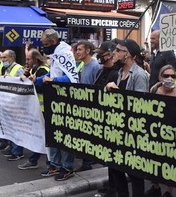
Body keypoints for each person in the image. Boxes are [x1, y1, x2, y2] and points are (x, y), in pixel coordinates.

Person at [33, 28, 79, 181]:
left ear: (53, 42)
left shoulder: (65, 54)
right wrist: (38, 80)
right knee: (53, 136)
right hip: (53, 101)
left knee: (64, 136)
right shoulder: (55, 54)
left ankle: (67, 168)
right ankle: (55, 165)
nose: (43, 47)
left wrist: (54, 81)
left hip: (65, 102)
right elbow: (53, 74)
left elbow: (73, 79)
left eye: (45, 44)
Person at [106, 38, 148, 197]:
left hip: (132, 132)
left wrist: (118, 92)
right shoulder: (118, 73)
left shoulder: (139, 75)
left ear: (129, 55)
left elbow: (140, 104)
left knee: (134, 172)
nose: (114, 53)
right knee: (115, 167)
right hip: (117, 129)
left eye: (118, 50)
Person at [146, 65, 176, 197]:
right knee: (155, 161)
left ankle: (169, 191)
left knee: (171, 164)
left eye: (173, 76)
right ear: (160, 77)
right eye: (166, 76)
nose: (170, 78)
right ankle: (156, 186)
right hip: (155, 132)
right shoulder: (154, 90)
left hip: (172, 135)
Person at [93, 40, 120, 196]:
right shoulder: (100, 71)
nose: (99, 57)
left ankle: (114, 187)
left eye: (101, 54)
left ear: (109, 55)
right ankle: (111, 183)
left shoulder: (115, 73)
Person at [17, 49, 50, 170]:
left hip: (43, 108)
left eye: (28, 59)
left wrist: (32, 81)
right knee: (40, 135)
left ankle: (41, 162)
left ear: (36, 59)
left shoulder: (44, 70)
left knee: (44, 136)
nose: (26, 61)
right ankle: (35, 160)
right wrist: (26, 74)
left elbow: (41, 88)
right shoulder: (34, 69)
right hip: (37, 107)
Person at [75, 40, 100, 172]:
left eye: (80, 49)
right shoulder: (83, 65)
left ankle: (88, 163)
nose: (77, 52)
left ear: (88, 51)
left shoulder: (95, 66)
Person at [0, 49, 26, 161]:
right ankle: (12, 149)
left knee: (16, 129)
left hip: (16, 105)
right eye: (2, 58)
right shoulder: (7, 69)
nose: (3, 60)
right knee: (10, 128)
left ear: (12, 58)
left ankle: (17, 152)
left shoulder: (18, 69)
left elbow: (23, 85)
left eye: (5, 58)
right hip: (9, 104)